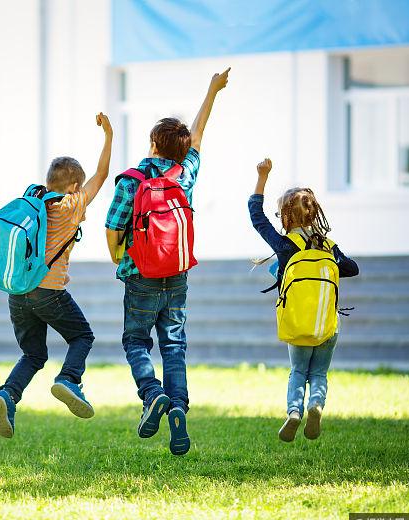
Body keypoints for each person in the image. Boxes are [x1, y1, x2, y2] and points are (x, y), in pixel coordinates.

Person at [104, 68, 230, 455]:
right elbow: (200, 131)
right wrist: (212, 90)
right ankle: (177, 408)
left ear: (152, 144)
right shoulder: (185, 174)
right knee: (174, 345)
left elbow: (113, 227)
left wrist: (118, 259)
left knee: (135, 340)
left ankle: (152, 393)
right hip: (176, 274)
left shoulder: (132, 179)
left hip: (139, 273)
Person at [0, 113, 113, 439]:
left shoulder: (35, 200)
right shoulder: (71, 205)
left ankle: (7, 395)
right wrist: (109, 135)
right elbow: (102, 174)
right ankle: (69, 379)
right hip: (49, 291)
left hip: (18, 291)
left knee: (33, 353)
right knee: (82, 337)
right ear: (73, 186)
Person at [249, 158, 359, 441]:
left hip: (297, 324)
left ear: (286, 218)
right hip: (327, 325)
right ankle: (316, 405)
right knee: (319, 373)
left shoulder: (286, 246)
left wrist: (262, 176)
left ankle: (294, 411)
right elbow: (352, 268)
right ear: (314, 215)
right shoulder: (328, 246)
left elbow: (256, 216)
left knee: (298, 370)